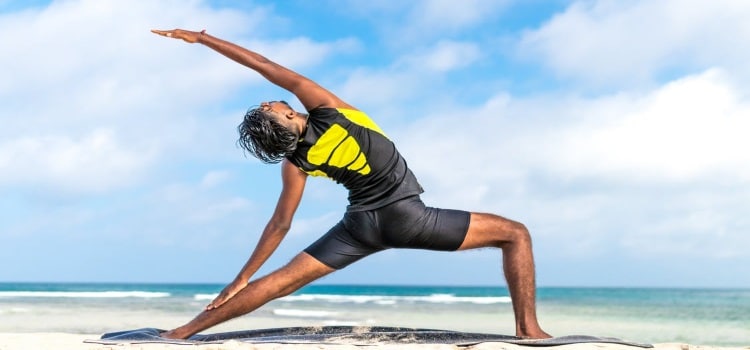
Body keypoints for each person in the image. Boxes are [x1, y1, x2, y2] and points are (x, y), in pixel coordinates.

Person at [150, 28, 551, 340]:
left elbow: (280, 225)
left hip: (358, 227)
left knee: (278, 283)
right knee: (515, 234)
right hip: (408, 216)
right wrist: (201, 38)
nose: (267, 103)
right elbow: (262, 62)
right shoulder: (329, 110)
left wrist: (240, 278)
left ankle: (180, 332)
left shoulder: (296, 162)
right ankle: (528, 329)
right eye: (268, 109)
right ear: (287, 119)